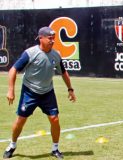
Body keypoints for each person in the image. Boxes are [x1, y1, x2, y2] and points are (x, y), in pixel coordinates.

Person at [4, 26, 76, 159]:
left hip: (47, 92)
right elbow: (13, 70)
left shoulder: (56, 54)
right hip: (29, 92)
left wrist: (70, 89)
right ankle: (12, 145)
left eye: (53, 38)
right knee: (21, 120)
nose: (52, 41)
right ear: (40, 38)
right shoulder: (30, 53)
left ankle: (55, 149)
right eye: (49, 38)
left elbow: (64, 72)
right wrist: (10, 90)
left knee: (55, 119)